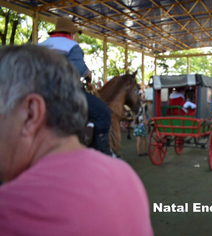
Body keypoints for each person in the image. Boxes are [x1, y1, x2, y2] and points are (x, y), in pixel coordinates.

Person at [0, 45, 153, 235]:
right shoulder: (128, 177)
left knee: (102, 112)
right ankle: (103, 150)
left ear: (31, 113)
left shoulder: (8, 209)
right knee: (102, 113)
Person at [39, 17, 112, 155]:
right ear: (71, 33)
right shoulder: (72, 46)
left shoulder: (39, 46)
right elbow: (77, 70)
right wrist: (88, 74)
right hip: (66, 93)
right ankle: (102, 152)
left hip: (38, 92)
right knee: (103, 112)